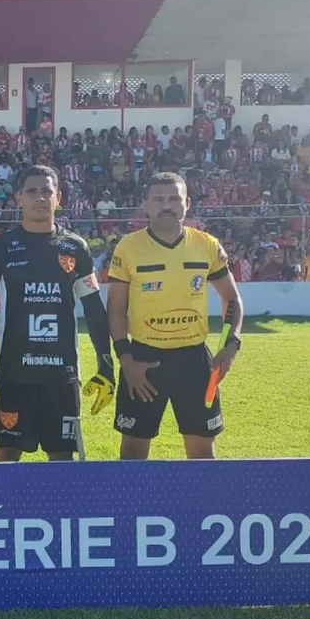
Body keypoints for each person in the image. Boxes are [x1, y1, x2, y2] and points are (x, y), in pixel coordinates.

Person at [0, 165, 116, 462]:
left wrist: (106, 365)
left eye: (46, 191)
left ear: (58, 197)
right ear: (19, 198)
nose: (39, 198)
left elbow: (94, 308)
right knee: (6, 458)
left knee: (61, 461)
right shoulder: (1, 247)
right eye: (32, 192)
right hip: (12, 374)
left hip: (61, 375)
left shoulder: (76, 247)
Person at [107, 172, 243, 460]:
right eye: (158, 199)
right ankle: (135, 507)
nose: (166, 205)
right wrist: (126, 360)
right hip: (142, 361)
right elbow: (116, 309)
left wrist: (231, 345)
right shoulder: (127, 248)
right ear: (145, 204)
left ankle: (204, 507)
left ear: (187, 204)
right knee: (132, 450)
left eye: (174, 199)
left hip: (194, 362)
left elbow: (231, 298)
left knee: (202, 450)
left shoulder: (206, 245)